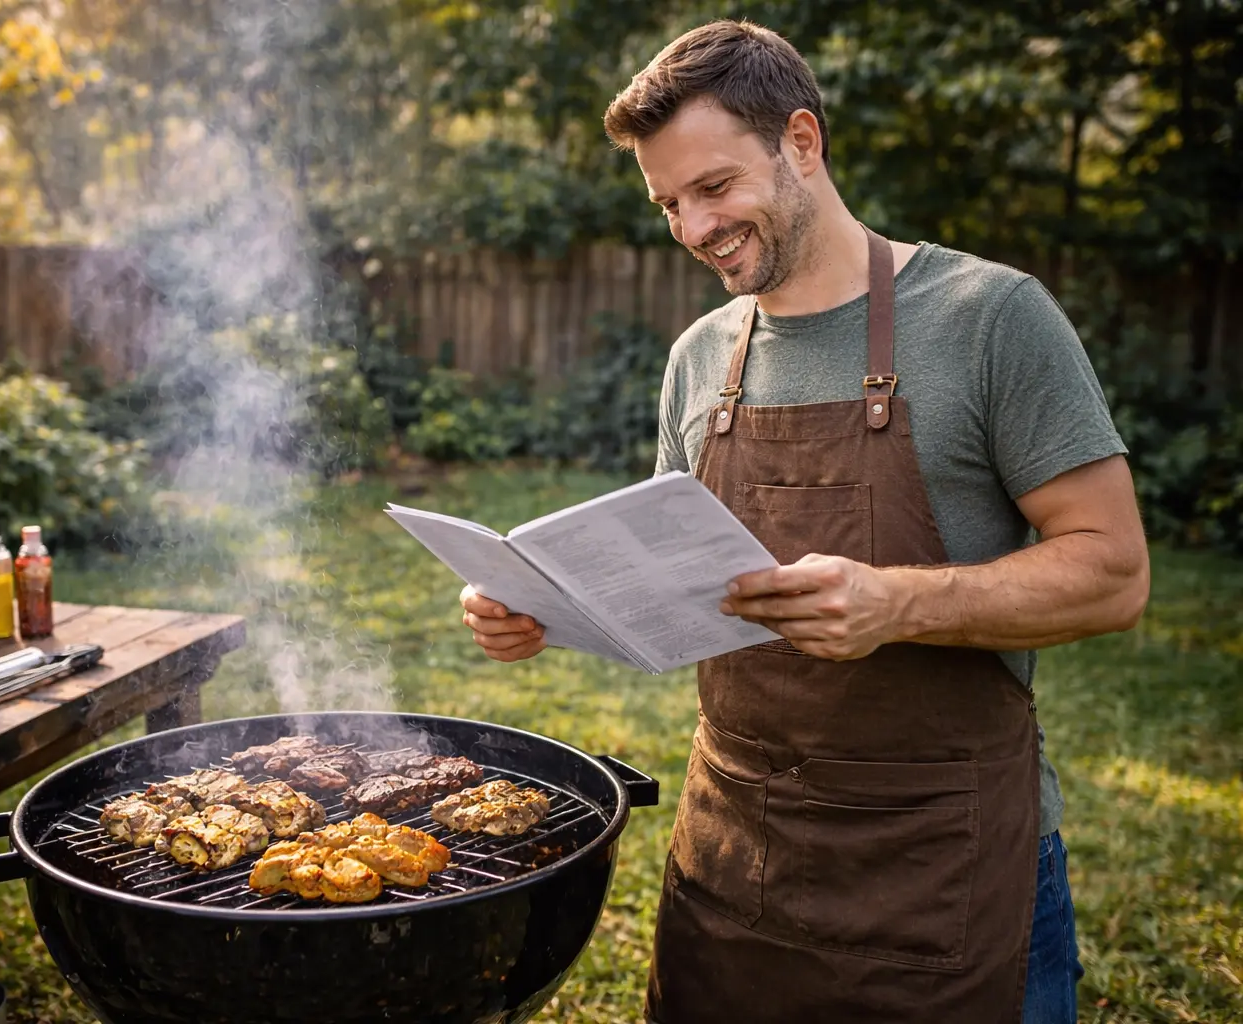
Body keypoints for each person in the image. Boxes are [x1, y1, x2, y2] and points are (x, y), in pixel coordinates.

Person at [456, 18, 1149, 1024]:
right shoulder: (700, 356)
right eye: (669, 205)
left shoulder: (991, 316)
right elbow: (664, 582)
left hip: (939, 871)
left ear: (803, 142)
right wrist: (541, 608)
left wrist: (896, 603)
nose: (693, 227)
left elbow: (1115, 572)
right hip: (735, 864)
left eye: (715, 187)